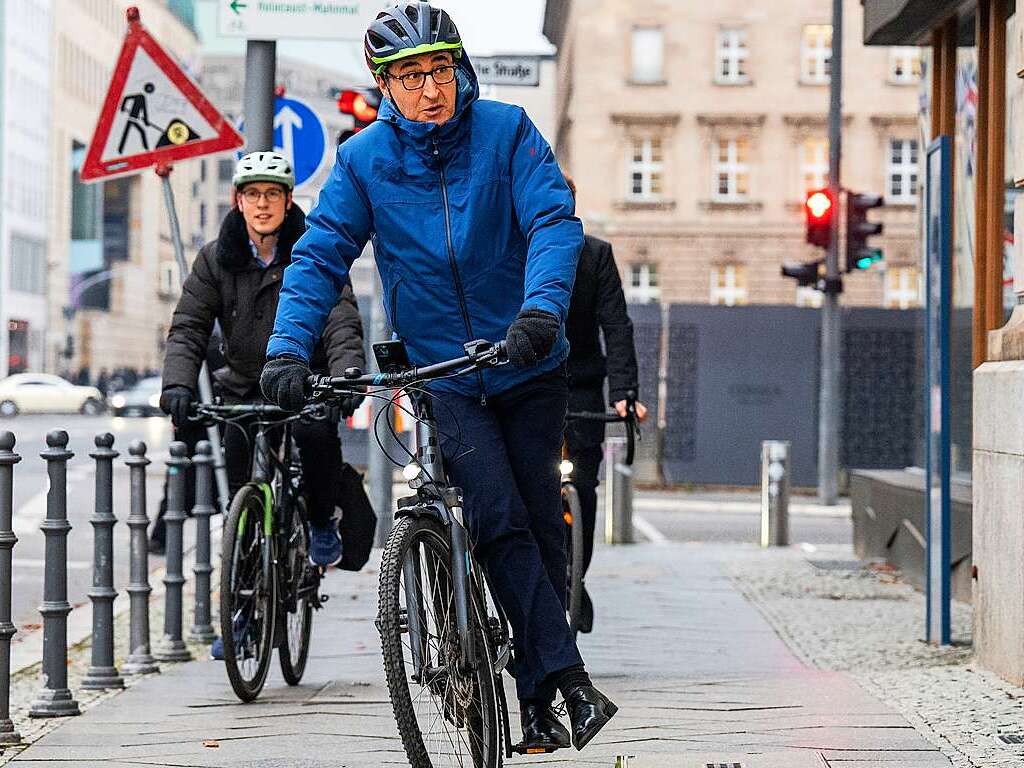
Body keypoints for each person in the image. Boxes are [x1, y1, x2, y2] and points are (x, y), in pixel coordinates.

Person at [259, 1, 616, 752]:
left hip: (525, 358)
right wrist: (288, 352)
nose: (430, 88)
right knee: (495, 514)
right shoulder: (364, 162)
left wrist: (542, 310)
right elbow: (321, 256)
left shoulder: (508, 132)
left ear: (461, 67)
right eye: (410, 76)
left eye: (440, 69)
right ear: (384, 87)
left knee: (538, 527)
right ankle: (570, 682)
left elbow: (553, 221)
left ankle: (540, 701)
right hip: (445, 373)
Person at [159, 150, 365, 578]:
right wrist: (177, 385)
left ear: (288, 201)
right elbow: (189, 326)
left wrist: (346, 376)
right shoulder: (217, 258)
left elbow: (339, 317)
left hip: (303, 383)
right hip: (242, 387)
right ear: (238, 201)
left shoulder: (313, 250)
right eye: (253, 194)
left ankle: (322, 520)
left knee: (315, 436)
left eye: (273, 193)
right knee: (240, 498)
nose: (263, 203)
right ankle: (243, 614)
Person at [561, 174, 649, 635]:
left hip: (581, 386)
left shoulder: (594, 255)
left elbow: (617, 326)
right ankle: (552, 576)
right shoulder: (513, 247)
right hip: (528, 383)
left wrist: (625, 395)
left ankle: (575, 574)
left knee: (584, 487)